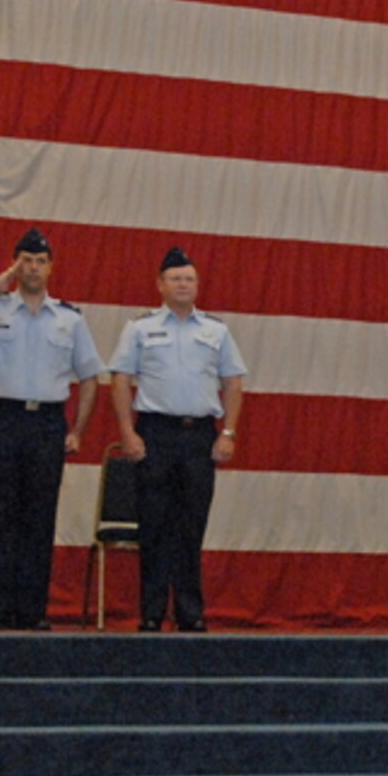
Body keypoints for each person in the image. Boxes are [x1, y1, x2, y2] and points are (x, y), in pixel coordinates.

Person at [0, 228, 104, 630]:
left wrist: (76, 430)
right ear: (15, 264)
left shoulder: (69, 318)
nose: (32, 268)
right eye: (25, 260)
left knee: (39, 518)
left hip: (47, 423)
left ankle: (32, 610)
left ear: (51, 268)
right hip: (2, 420)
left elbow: (91, 377)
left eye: (40, 261)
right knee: (0, 516)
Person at [108, 246, 247, 632]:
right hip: (154, 434)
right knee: (153, 527)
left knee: (191, 527)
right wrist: (127, 432)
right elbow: (120, 379)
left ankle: (190, 611)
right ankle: (152, 612)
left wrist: (229, 434)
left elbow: (233, 383)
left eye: (189, 279)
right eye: (175, 279)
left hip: (199, 437)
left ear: (197, 285)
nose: (183, 285)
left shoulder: (216, 331)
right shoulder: (140, 328)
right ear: (160, 284)